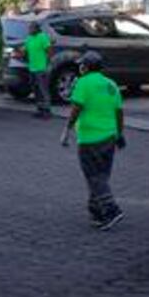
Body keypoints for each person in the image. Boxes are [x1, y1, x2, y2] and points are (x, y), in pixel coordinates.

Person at [60, 51, 126, 230]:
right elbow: (119, 112)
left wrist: (66, 130)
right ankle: (97, 212)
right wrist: (120, 134)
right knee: (102, 175)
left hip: (89, 139)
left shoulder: (83, 83)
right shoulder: (111, 85)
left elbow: (76, 108)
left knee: (93, 177)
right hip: (109, 137)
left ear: (86, 67)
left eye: (82, 65)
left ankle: (112, 209)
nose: (81, 68)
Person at [24, 21, 53, 118]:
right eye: (29, 28)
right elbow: (25, 51)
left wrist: (47, 65)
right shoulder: (29, 38)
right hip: (32, 68)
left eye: (31, 28)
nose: (29, 30)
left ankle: (47, 110)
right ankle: (40, 109)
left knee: (43, 90)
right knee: (36, 90)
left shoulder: (43, 37)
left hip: (41, 68)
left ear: (36, 29)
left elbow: (49, 51)